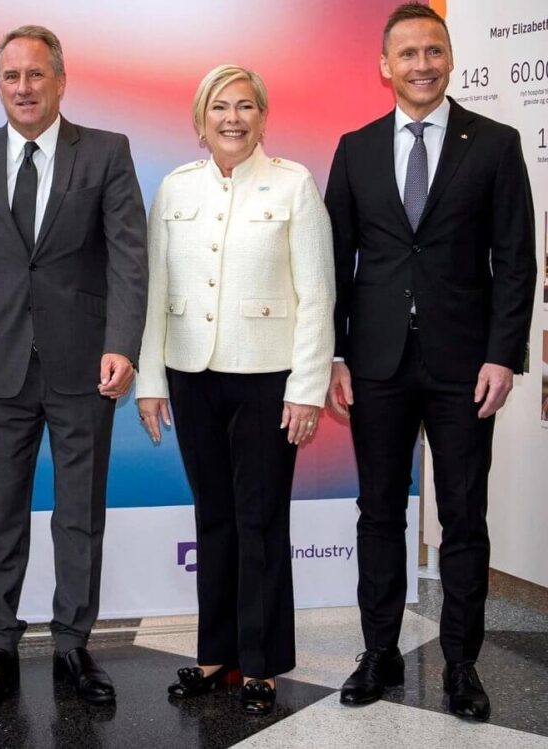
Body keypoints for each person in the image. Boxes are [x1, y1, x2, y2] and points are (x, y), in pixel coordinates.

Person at [325, 2, 536, 722]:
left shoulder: (497, 144)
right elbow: (332, 264)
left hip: (463, 366)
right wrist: (336, 353)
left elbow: (515, 262)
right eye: (407, 53)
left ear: (449, 59)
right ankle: (378, 651)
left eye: (433, 51)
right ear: (384, 66)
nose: (422, 64)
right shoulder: (354, 149)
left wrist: (504, 355)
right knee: (378, 512)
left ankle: (461, 666)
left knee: (464, 517)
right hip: (376, 364)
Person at [0, 25, 147, 706]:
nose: (24, 88)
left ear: (60, 80)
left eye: (35, 75)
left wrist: (123, 343)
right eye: (11, 76)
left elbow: (127, 257)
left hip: (86, 364)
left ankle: (72, 646)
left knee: (79, 511)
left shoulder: (108, 152)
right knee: (0, 508)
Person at [136, 64, 335, 715]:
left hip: (267, 379)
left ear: (261, 116)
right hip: (192, 375)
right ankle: (217, 651)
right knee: (214, 516)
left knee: (260, 519)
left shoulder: (294, 184)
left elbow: (317, 295)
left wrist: (306, 386)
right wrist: (151, 379)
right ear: (201, 118)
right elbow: (156, 291)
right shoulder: (175, 187)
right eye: (220, 106)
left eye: (245, 106)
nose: (232, 117)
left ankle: (262, 660)